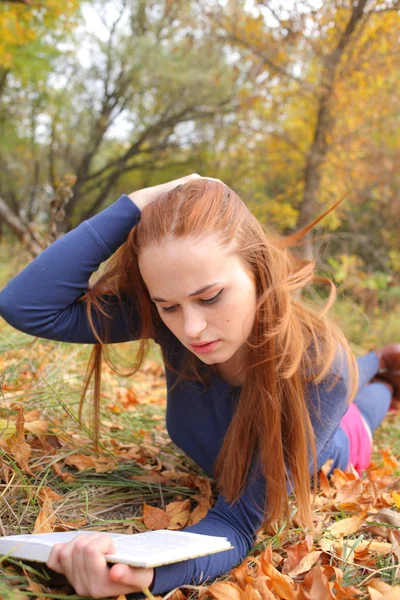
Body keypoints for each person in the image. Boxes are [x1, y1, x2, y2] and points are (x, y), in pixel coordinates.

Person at [0, 174, 399, 599]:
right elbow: (27, 306)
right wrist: (135, 205)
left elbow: (237, 523)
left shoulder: (322, 369)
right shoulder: (174, 327)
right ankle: (383, 361)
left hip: (340, 443)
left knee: (367, 405)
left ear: (259, 273)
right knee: (345, 382)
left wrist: (151, 578)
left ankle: (385, 371)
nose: (191, 327)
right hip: (318, 386)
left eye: (211, 298)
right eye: (167, 306)